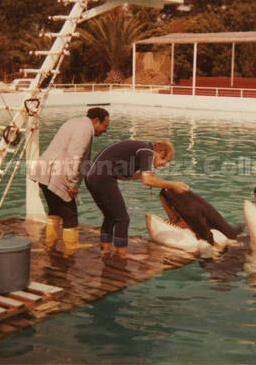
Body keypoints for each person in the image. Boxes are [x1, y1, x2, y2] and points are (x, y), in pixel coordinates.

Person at [85, 139, 189, 258]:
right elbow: (148, 180)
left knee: (110, 217)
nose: (165, 164)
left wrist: (140, 176)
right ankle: (121, 255)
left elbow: (122, 176)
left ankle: (105, 250)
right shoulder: (147, 151)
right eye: (165, 160)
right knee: (122, 219)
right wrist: (173, 185)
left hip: (91, 177)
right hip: (102, 177)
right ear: (159, 151)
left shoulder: (139, 151)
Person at [29, 107, 109, 254]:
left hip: (45, 169)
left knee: (55, 209)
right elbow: (75, 157)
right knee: (70, 214)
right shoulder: (85, 129)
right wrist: (72, 184)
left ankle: (50, 245)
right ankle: (70, 250)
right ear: (96, 120)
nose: (105, 130)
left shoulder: (74, 122)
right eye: (104, 126)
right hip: (59, 173)